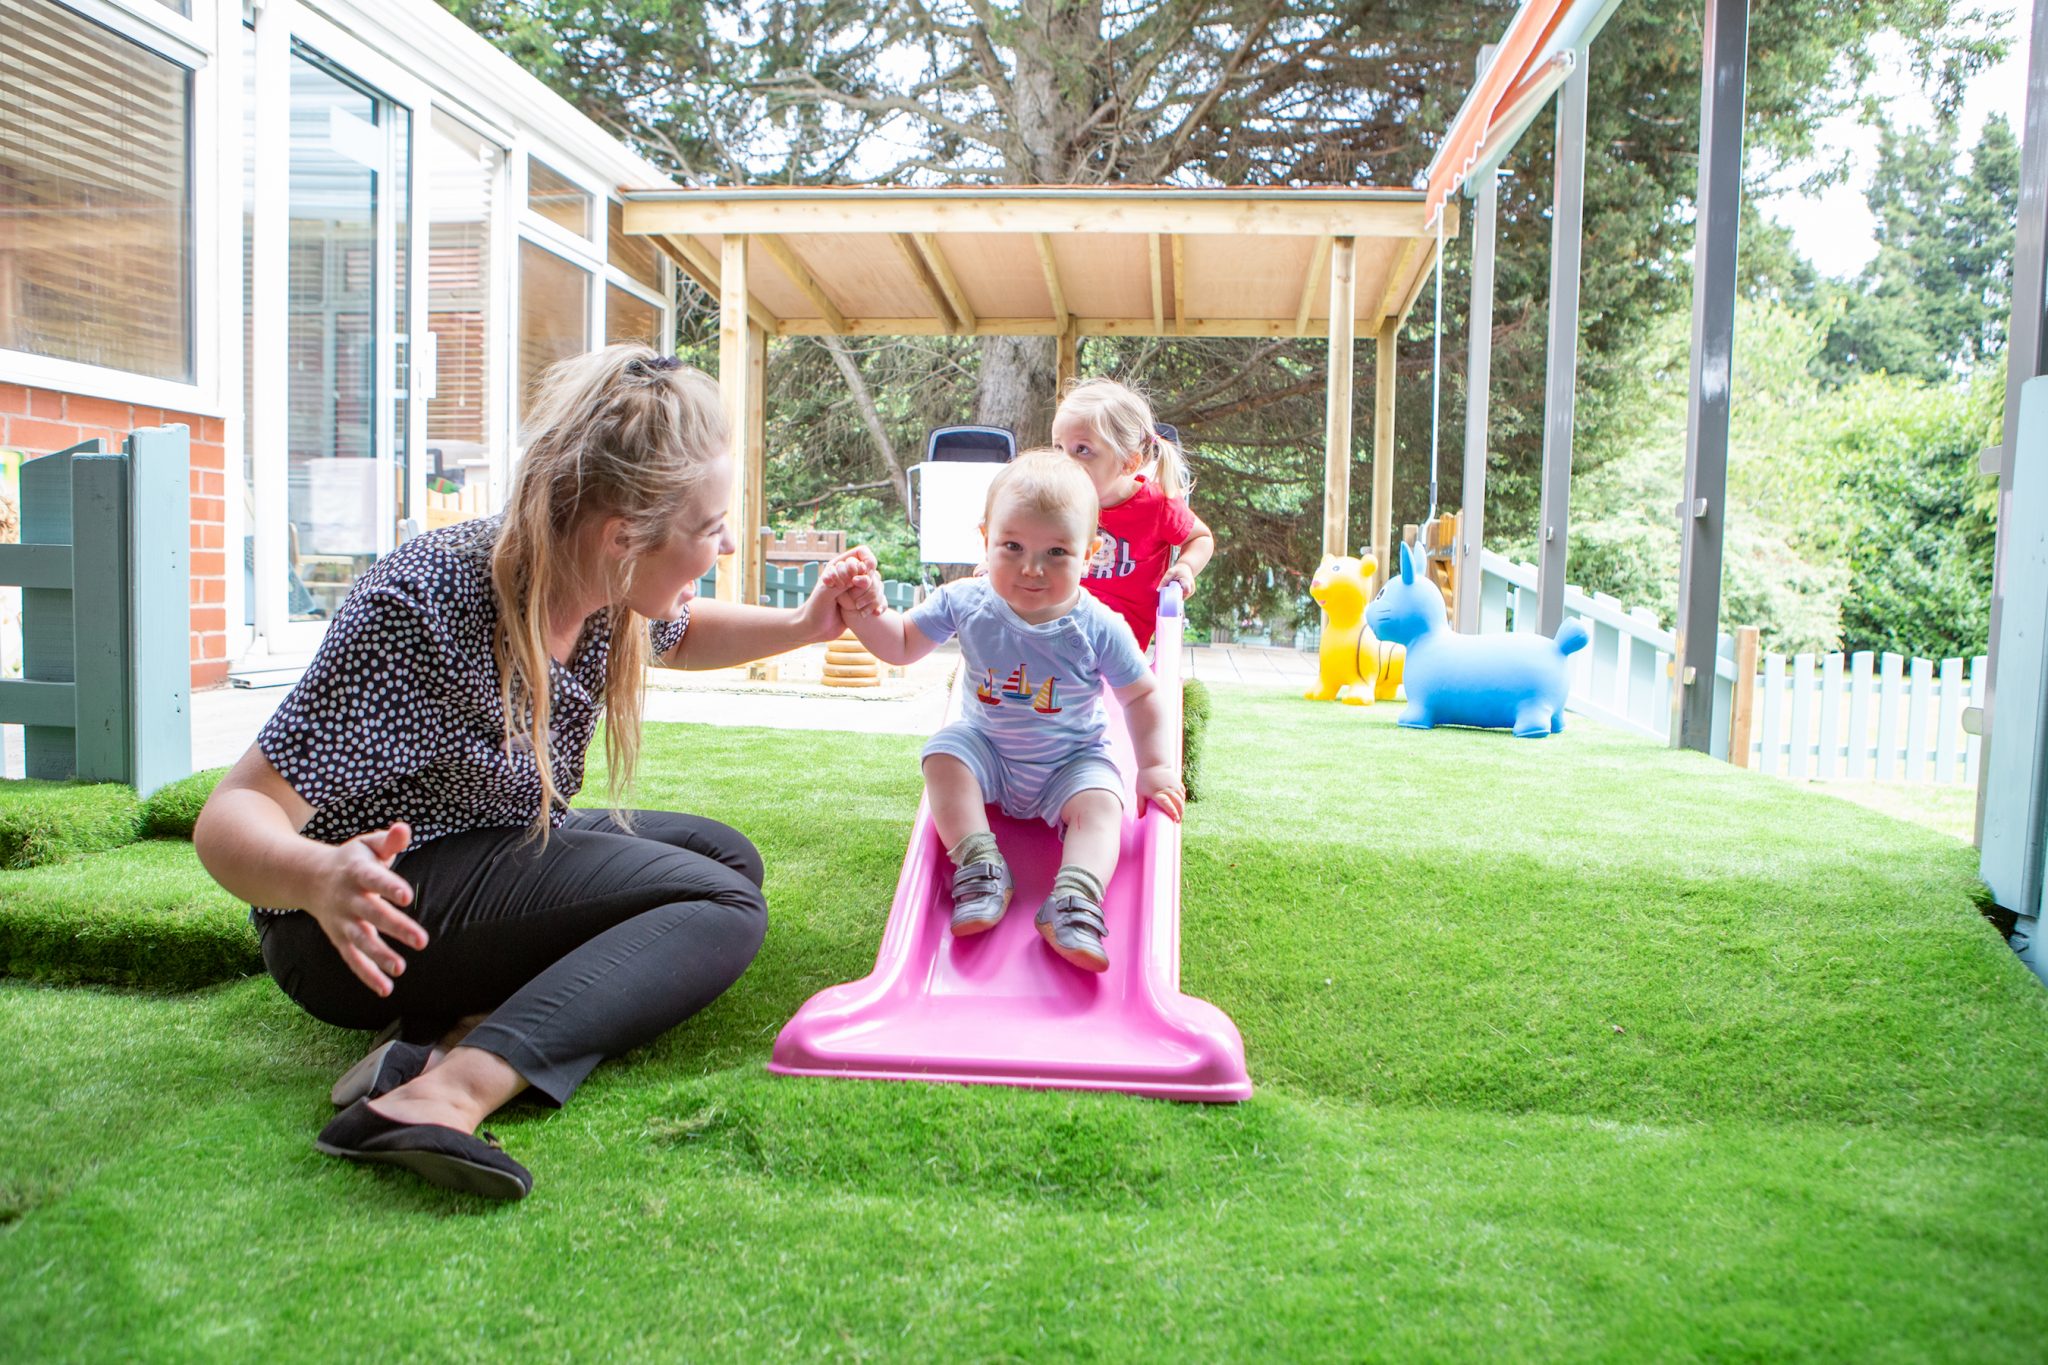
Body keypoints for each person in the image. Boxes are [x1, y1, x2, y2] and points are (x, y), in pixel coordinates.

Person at [193, 344, 881, 1202]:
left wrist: (806, 625)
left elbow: (683, 630)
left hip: (479, 850)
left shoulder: (596, 583)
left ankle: (435, 1043)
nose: (730, 543)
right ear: (623, 536)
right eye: (711, 529)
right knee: (723, 907)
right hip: (352, 926)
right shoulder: (422, 609)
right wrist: (320, 874)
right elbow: (232, 815)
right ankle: (446, 1093)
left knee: (727, 858)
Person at [839, 449, 1184, 974]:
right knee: (943, 755)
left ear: (1089, 553)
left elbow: (1140, 694)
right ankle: (980, 864)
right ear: (985, 538)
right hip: (989, 753)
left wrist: (1155, 767)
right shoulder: (965, 601)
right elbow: (902, 643)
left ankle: (1074, 898)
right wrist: (866, 610)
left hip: (1070, 762)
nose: (1031, 568)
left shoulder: (1098, 625)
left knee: (1103, 804)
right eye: (1013, 546)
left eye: (1057, 552)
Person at [1050, 378, 1215, 651]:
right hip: (1057, 619)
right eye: (1059, 448)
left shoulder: (1157, 505)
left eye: (1082, 450)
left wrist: (1186, 567)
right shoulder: (1054, 501)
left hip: (1118, 636)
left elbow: (1201, 538)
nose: (1064, 462)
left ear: (1128, 463)